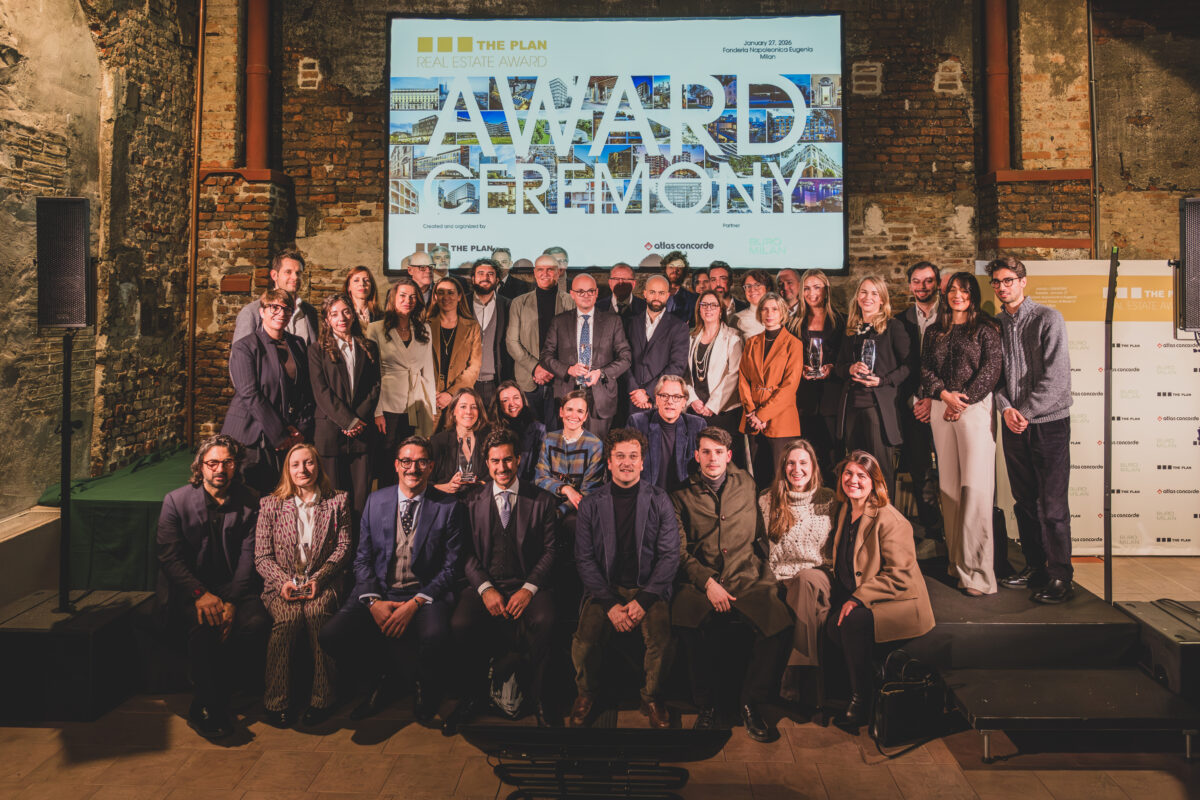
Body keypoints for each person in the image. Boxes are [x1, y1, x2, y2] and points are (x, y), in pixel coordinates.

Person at [317, 436, 465, 722]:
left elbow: (451, 567)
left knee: (436, 636)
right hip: (381, 591)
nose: (413, 468)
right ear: (396, 465)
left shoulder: (448, 506)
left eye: (421, 462)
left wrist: (414, 604)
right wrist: (373, 602)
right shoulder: (376, 501)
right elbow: (362, 558)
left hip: (424, 592)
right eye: (406, 461)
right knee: (331, 636)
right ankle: (381, 678)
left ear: (431, 466)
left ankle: (422, 684)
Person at [671, 427, 792, 742]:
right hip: (702, 579)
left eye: (718, 452)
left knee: (777, 623)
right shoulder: (680, 495)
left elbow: (758, 533)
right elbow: (678, 551)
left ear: (729, 456)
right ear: (697, 456)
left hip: (745, 574)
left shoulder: (746, 483)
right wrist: (707, 582)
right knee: (687, 621)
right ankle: (707, 706)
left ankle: (751, 703)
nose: (712, 458)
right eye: (706, 452)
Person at [443, 429, 559, 733]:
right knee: (460, 624)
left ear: (518, 459)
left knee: (546, 620)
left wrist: (528, 589)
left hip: (528, 583)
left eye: (508, 460)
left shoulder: (542, 500)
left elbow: (550, 551)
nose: (502, 467)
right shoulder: (470, 501)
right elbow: (465, 553)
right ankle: (471, 698)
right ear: (487, 463)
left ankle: (541, 699)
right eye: (495, 461)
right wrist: (485, 589)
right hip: (486, 584)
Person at [156, 435, 268, 739]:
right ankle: (207, 706)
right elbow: (169, 557)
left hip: (235, 588)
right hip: (190, 589)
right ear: (200, 466)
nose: (220, 469)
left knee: (255, 622)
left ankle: (225, 692)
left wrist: (231, 601)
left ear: (236, 465)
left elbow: (249, 556)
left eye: (227, 462)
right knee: (204, 625)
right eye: (213, 463)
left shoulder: (251, 500)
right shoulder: (175, 501)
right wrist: (200, 594)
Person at [570, 428, 680, 729]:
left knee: (661, 639)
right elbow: (584, 559)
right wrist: (609, 604)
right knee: (585, 640)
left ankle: (652, 698)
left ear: (642, 462)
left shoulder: (659, 499)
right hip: (605, 590)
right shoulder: (591, 504)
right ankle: (586, 694)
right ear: (609, 462)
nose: (627, 463)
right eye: (620, 456)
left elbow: (670, 556)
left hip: (648, 588)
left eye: (633, 456)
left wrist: (644, 600)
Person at [827, 451, 935, 729]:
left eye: (861, 476)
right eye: (848, 473)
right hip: (867, 593)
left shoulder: (891, 520)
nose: (853, 480)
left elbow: (899, 576)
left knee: (851, 621)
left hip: (898, 599)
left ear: (875, 482)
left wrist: (857, 598)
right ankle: (874, 677)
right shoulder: (846, 509)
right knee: (830, 624)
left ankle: (861, 701)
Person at [989, 256, 1075, 604]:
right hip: (1013, 423)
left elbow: (1058, 378)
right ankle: (1036, 567)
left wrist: (1022, 412)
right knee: (1024, 502)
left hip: (1049, 425)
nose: (1002, 287)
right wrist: (1006, 409)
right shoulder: (995, 325)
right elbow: (993, 377)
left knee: (1053, 506)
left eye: (1008, 280)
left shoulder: (1048, 318)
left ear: (1023, 281)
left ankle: (1061, 576)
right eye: (996, 282)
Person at [254, 444, 352, 728]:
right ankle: (276, 702)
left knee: (316, 614)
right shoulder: (271, 504)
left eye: (308, 463)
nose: (303, 470)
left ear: (318, 466)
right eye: (295, 464)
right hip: (282, 583)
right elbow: (262, 556)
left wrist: (319, 579)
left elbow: (344, 548)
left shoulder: (338, 501)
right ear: (287, 470)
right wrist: (282, 582)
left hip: (323, 580)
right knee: (288, 619)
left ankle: (323, 698)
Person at [919, 271, 1003, 596]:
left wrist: (961, 400)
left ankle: (979, 574)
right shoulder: (934, 331)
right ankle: (957, 564)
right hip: (942, 409)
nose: (957, 295)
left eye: (964, 290)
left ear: (973, 294)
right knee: (949, 490)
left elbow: (991, 371)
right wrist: (944, 395)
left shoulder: (986, 329)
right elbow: (926, 369)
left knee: (976, 489)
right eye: (952, 290)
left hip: (974, 409)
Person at [760, 439, 836, 700]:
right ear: (783, 467)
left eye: (803, 462)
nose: (797, 469)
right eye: (791, 463)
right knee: (808, 605)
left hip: (818, 573)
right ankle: (813, 686)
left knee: (804, 581)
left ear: (813, 466)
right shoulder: (767, 500)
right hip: (780, 577)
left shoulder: (830, 500)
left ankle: (794, 674)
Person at [222, 288, 314, 495]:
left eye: (286, 309)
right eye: (274, 307)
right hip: (252, 437)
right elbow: (249, 393)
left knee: (284, 498)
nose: (281, 313)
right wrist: (279, 433)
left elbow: (305, 390)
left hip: (289, 436)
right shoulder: (245, 347)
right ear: (262, 311)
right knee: (251, 499)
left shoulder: (297, 344)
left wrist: (300, 428)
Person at [833, 276, 912, 500]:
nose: (868, 297)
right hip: (852, 409)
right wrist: (849, 368)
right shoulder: (851, 330)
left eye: (874, 293)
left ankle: (886, 520)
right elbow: (839, 367)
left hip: (877, 410)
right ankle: (860, 517)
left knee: (880, 472)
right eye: (864, 292)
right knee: (856, 472)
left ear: (882, 299)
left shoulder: (893, 327)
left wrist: (883, 381)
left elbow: (910, 366)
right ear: (857, 297)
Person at [309, 293, 380, 519]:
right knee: (332, 502)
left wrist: (358, 420)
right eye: (334, 314)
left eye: (346, 312)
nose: (342, 318)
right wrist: (347, 421)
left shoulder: (369, 347)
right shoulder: (316, 350)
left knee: (361, 500)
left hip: (362, 433)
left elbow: (375, 387)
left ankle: (359, 541)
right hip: (330, 433)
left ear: (353, 315)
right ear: (327, 319)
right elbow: (321, 391)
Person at [541, 273, 632, 439]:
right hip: (568, 393)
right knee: (569, 447)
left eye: (590, 291)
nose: (586, 295)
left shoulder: (613, 321)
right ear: (572, 294)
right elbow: (546, 356)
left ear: (596, 293)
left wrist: (601, 373)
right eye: (581, 291)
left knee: (596, 447)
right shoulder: (559, 321)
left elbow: (625, 357)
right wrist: (568, 370)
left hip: (600, 395)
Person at [368, 277, 437, 486]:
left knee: (413, 458)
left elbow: (428, 371)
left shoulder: (424, 328)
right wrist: (377, 411)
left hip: (416, 404)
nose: (408, 301)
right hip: (387, 403)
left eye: (413, 297)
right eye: (403, 296)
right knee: (388, 460)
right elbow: (372, 374)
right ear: (393, 298)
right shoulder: (375, 329)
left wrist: (432, 409)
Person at [900, 261, 946, 545]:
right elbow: (901, 365)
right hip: (913, 407)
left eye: (928, 280)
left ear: (937, 283)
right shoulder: (900, 320)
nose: (922, 286)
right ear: (910, 285)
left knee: (950, 470)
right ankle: (933, 530)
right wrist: (917, 401)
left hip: (944, 404)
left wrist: (933, 398)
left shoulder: (951, 315)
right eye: (916, 281)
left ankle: (953, 526)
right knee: (921, 471)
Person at [738, 292, 803, 490]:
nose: (769, 314)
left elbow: (790, 386)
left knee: (781, 479)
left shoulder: (794, 344)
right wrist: (752, 412)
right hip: (753, 420)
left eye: (774, 309)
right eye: (765, 309)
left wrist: (762, 415)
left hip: (782, 420)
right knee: (759, 477)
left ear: (782, 312)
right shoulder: (752, 343)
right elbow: (743, 379)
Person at [785, 269, 844, 483]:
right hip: (804, 396)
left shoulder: (841, 321)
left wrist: (832, 367)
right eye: (807, 288)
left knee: (833, 454)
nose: (811, 293)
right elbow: (787, 359)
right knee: (806, 451)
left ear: (826, 290)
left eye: (817, 287)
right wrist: (799, 369)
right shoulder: (793, 323)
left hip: (832, 397)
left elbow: (846, 357)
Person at [507, 254, 574, 423]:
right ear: (534, 273)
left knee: (557, 431)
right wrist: (536, 368)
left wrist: (553, 369)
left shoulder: (570, 302)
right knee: (529, 430)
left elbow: (573, 343)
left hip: (560, 379)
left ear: (558, 273)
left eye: (550, 269)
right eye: (540, 270)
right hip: (528, 378)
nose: (545, 274)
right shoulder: (519, 303)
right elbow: (512, 342)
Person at [687, 289, 745, 467]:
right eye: (704, 305)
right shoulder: (690, 337)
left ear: (721, 310)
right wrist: (692, 399)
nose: (708, 308)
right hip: (696, 409)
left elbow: (734, 373)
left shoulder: (733, 337)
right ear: (698, 309)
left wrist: (712, 405)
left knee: (723, 462)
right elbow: (684, 372)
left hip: (723, 411)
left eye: (713, 305)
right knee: (697, 461)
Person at [624, 274, 690, 415]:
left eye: (661, 293)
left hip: (660, 400)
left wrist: (648, 392)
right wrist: (635, 390)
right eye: (652, 292)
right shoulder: (630, 323)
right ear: (645, 294)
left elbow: (677, 366)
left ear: (668, 295)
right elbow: (623, 359)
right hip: (631, 399)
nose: (656, 297)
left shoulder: (679, 327)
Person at [628, 375, 706, 492]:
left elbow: (703, 467)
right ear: (656, 399)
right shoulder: (638, 422)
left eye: (676, 397)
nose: (670, 401)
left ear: (684, 402)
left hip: (684, 496)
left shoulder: (697, 425)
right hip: (648, 494)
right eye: (664, 395)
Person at [233, 248, 319, 345]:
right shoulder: (251, 312)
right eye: (288, 272)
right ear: (274, 275)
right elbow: (240, 352)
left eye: (298, 273)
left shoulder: (310, 312)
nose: (295, 277)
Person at [428, 276, 483, 417]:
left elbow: (474, 367)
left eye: (451, 292)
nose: (446, 297)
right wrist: (430, 390)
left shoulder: (472, 327)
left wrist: (451, 393)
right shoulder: (425, 325)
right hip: (430, 397)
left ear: (459, 296)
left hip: (459, 396)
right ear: (435, 297)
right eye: (441, 292)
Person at [469, 257, 513, 409]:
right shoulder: (461, 304)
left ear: (497, 279)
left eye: (490, 274)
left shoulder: (508, 305)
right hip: (467, 382)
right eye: (480, 273)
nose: (485, 278)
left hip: (497, 381)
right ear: (473, 278)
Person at [430, 388, 491, 496]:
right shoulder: (438, 441)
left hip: (480, 501)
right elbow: (423, 483)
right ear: (453, 411)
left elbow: (493, 477)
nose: (468, 412)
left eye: (474, 407)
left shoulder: (487, 440)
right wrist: (446, 487)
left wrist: (480, 483)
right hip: (446, 501)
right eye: (463, 406)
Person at [490, 380, 547, 483]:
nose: (512, 403)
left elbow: (541, 469)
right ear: (499, 405)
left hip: (529, 487)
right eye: (505, 400)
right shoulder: (491, 431)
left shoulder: (539, 430)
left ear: (523, 400)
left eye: (516, 398)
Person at [730, 269, 775, 339]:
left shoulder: (781, 315)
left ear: (768, 288)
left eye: (757, 285)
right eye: (748, 286)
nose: (752, 289)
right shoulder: (737, 319)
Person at [662, 250, 697, 323]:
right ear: (665, 269)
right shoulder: (654, 295)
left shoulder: (692, 299)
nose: (675, 270)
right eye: (671, 266)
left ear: (684, 271)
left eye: (679, 267)